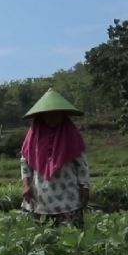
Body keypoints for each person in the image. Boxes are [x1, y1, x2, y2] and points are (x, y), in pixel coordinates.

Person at [19, 88, 91, 228]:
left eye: (57, 115)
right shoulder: (33, 136)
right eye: (49, 115)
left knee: (71, 238)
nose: (53, 118)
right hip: (40, 195)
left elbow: (82, 164)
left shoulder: (71, 134)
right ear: (42, 116)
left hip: (68, 196)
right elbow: (25, 162)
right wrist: (26, 185)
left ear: (62, 115)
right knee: (42, 238)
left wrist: (85, 186)